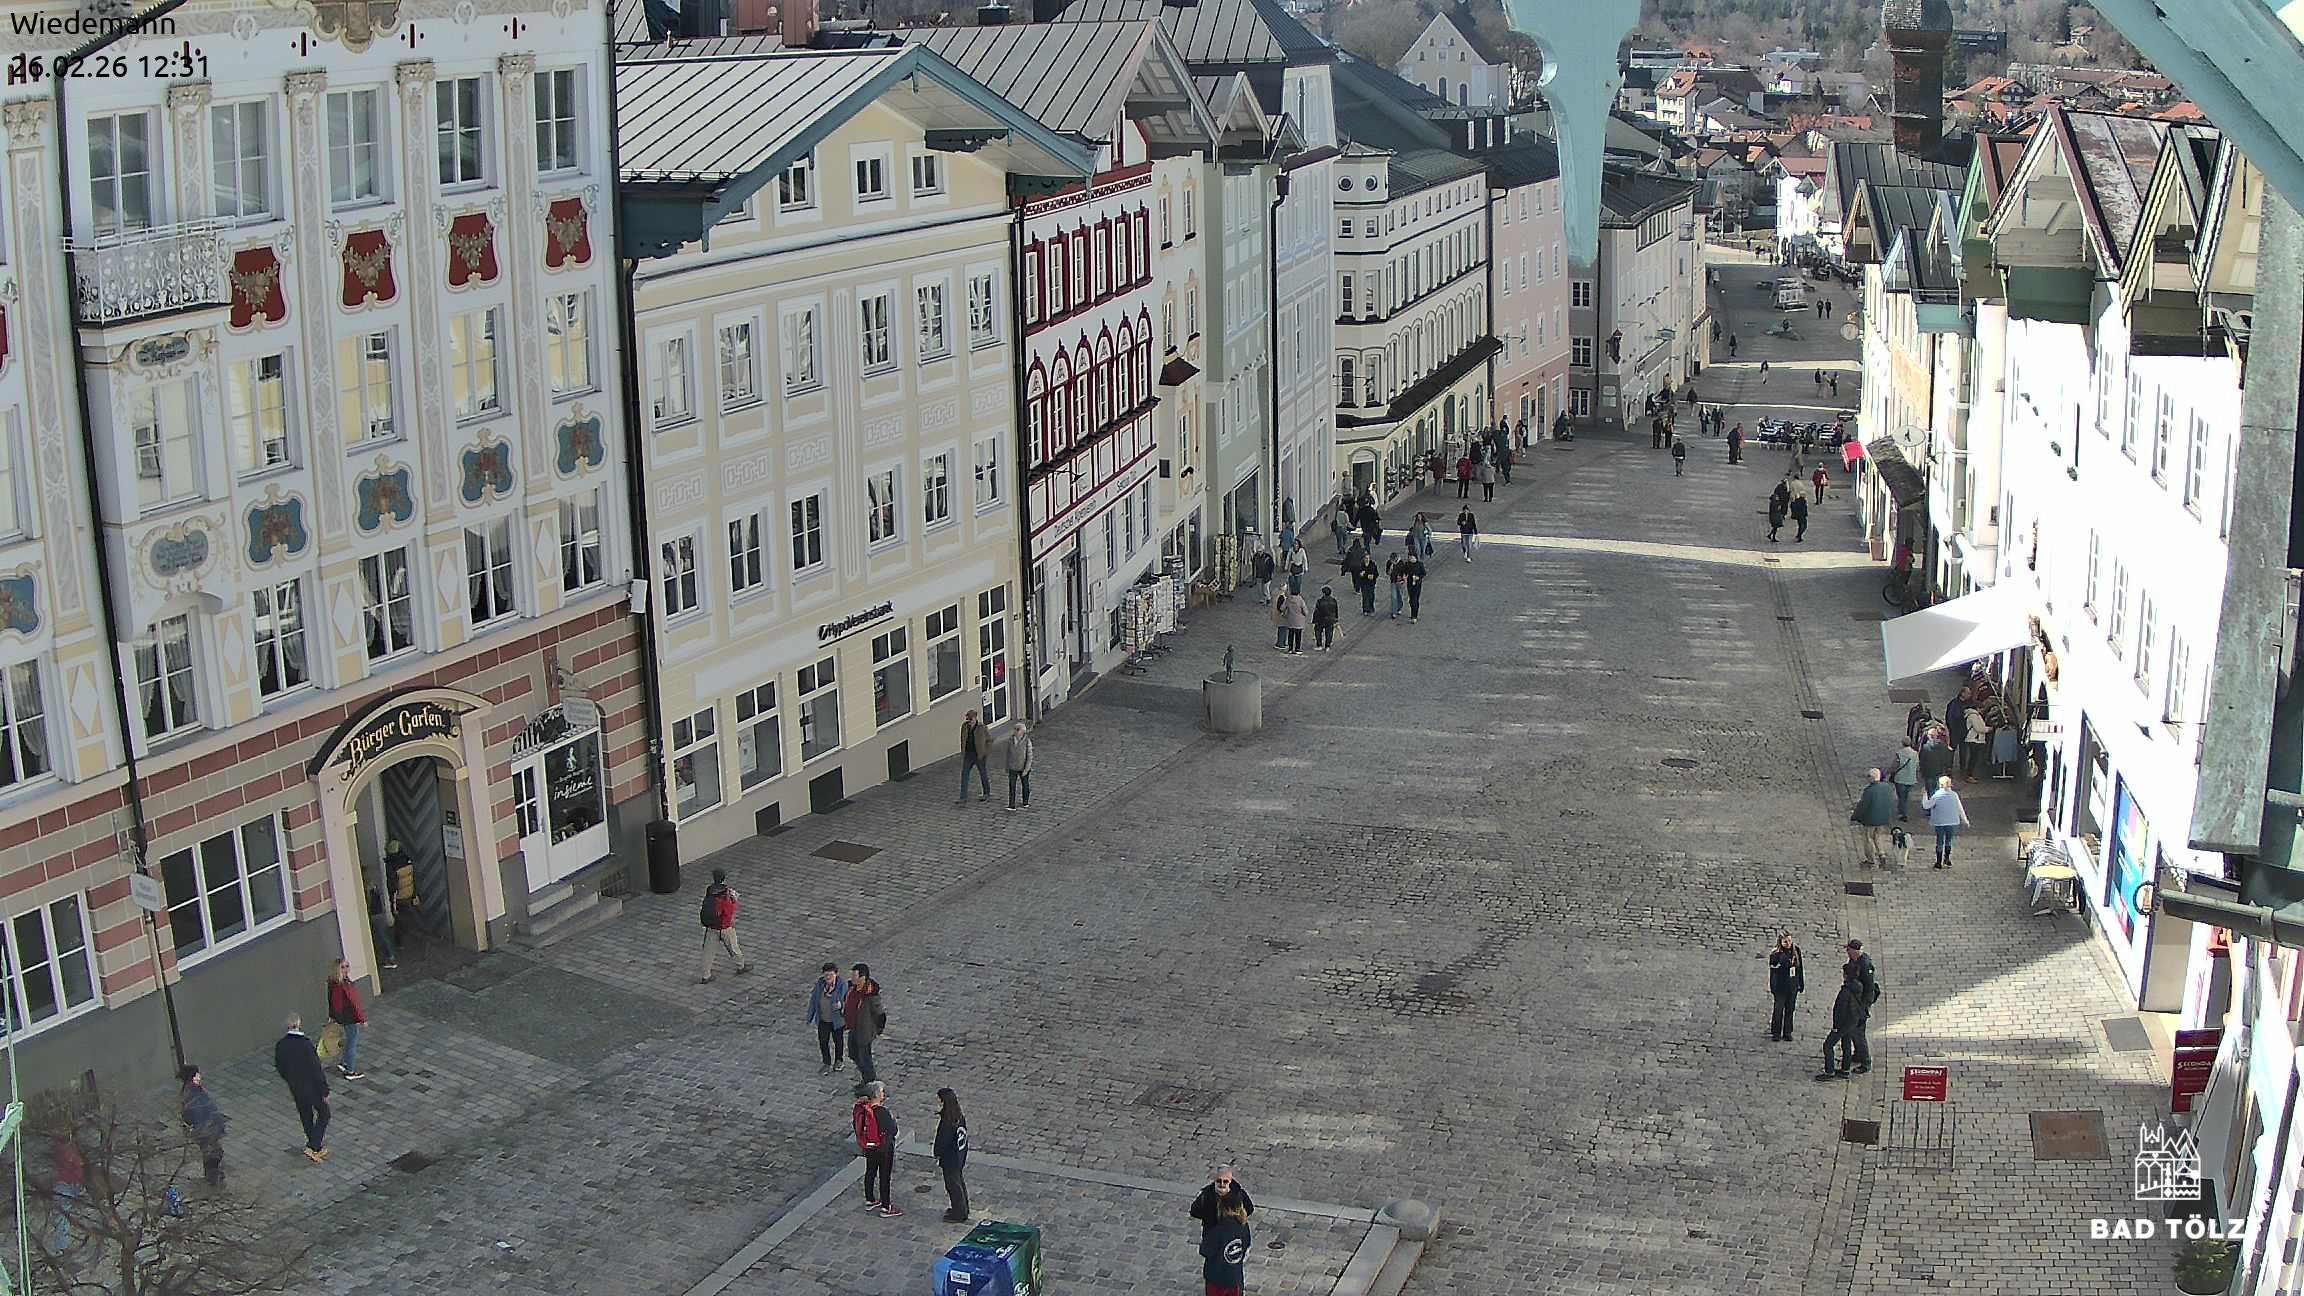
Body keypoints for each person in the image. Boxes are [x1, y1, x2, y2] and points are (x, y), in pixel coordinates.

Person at [273, 1015, 331, 1163]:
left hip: (295, 1087)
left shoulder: (281, 1045)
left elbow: (280, 1066)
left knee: (306, 1115)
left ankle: (315, 1147)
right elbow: (316, 1069)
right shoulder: (305, 1044)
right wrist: (324, 1090)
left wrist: (290, 1079)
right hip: (311, 1087)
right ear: (299, 1025)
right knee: (324, 1114)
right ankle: (313, 1146)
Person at [852, 1081, 901, 1217]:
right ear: (877, 1095)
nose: (884, 1094)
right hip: (884, 1148)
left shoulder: (863, 1109)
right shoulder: (882, 1112)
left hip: (869, 1147)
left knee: (870, 1171)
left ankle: (870, 1199)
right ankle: (886, 1207)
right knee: (884, 1176)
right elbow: (893, 1130)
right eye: (882, 1092)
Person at [178, 1064, 228, 1186]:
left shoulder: (193, 1089)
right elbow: (196, 1114)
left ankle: (213, 1176)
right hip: (206, 1130)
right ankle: (213, 1179)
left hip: (207, 1129)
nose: (199, 1076)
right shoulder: (192, 1094)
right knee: (213, 1153)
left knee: (214, 1153)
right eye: (197, 1074)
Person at [699, 867, 752, 982]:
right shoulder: (727, 893)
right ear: (724, 878)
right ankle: (741, 966)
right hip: (724, 926)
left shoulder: (710, 890)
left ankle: (705, 975)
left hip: (711, 926)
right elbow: (731, 909)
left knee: (708, 951)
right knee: (733, 947)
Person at [1817, 964, 1864, 1081]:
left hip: (1843, 1023)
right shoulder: (1858, 986)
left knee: (1828, 1045)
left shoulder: (1846, 992)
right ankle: (1845, 1070)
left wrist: (1836, 1027)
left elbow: (1840, 1010)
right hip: (1852, 1021)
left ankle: (1829, 1071)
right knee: (1846, 1044)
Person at [326, 959, 368, 1080]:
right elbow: (354, 1003)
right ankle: (350, 1071)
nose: (346, 969)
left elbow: (330, 1000)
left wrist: (332, 1015)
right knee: (352, 1042)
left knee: (350, 1039)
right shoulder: (345, 985)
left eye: (347, 966)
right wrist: (362, 1019)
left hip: (341, 1016)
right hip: (349, 1017)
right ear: (338, 969)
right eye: (343, 967)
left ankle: (344, 1062)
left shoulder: (332, 982)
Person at [844, 964, 886, 1085]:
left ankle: (869, 1080)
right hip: (853, 1027)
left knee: (864, 1057)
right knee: (852, 1053)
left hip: (864, 1031)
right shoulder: (851, 988)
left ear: (862, 977)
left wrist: (878, 1029)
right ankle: (865, 1074)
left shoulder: (871, 995)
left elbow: (880, 1014)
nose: (852, 978)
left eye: (854, 976)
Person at [1201, 1199, 1252, 1296]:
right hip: (1234, 1277)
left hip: (1216, 1278)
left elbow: (1205, 1251)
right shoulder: (1243, 1225)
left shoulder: (1217, 1230)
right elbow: (1246, 1244)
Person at [935, 1087, 971, 1223]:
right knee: (958, 1182)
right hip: (959, 1156)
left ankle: (959, 1212)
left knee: (953, 1185)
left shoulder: (947, 1121)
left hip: (950, 1159)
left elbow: (942, 1141)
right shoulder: (958, 1116)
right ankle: (962, 1208)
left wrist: (937, 1152)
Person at [805, 963, 848, 1074]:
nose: (828, 977)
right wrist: (810, 1016)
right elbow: (814, 1001)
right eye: (826, 975)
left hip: (837, 1020)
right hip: (823, 1019)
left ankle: (839, 1060)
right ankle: (827, 1062)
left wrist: (841, 1005)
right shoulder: (819, 985)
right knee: (823, 1041)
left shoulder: (842, 985)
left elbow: (848, 1001)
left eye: (830, 975)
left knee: (838, 1041)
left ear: (836, 974)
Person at [1921, 775, 1971, 869]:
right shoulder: (1954, 795)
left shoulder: (1937, 795)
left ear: (1940, 785)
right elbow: (1960, 809)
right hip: (1952, 821)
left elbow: (1926, 806)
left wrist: (1924, 795)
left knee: (1939, 841)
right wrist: (1965, 820)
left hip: (1939, 822)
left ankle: (1938, 862)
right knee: (1949, 841)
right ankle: (1947, 860)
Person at [1850, 768, 1897, 866]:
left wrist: (1855, 816)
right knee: (1878, 836)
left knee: (1868, 838)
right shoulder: (1887, 788)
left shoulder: (1869, 790)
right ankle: (1881, 853)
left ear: (1872, 778)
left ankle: (1871, 859)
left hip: (1870, 819)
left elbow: (1863, 806)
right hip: (1883, 818)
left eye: (1868, 776)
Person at [1191, 1166, 1256, 1231]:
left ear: (1230, 1181)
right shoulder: (1206, 1195)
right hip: (1212, 1233)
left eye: (1225, 1181)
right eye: (1219, 1181)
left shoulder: (1239, 1194)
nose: (1222, 1184)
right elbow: (1194, 1211)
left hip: (1232, 1232)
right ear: (1214, 1180)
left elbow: (1249, 1208)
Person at [1767, 934, 1804, 1042]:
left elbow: (1800, 968)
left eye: (1789, 941)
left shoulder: (1796, 950)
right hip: (1780, 987)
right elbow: (1774, 970)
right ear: (1780, 942)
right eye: (1785, 942)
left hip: (1792, 986)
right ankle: (1776, 1032)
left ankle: (1787, 1032)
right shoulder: (1776, 954)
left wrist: (1801, 983)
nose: (1788, 944)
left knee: (1790, 1009)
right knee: (1778, 1010)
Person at [959, 708, 992, 803]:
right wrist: (963, 751)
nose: (969, 721)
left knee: (983, 774)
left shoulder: (982, 727)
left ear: (975, 718)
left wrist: (985, 753)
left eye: (970, 719)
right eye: (967, 719)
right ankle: (963, 797)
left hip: (979, 755)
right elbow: (962, 739)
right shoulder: (964, 727)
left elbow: (989, 740)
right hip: (968, 754)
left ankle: (986, 793)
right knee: (964, 775)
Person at [366, 887, 397, 971]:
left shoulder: (370, 894)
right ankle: (389, 957)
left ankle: (390, 958)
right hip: (379, 915)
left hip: (376, 916)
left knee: (382, 938)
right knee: (383, 937)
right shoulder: (377, 893)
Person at [1004, 723, 1034, 810]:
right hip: (1012, 767)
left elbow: (1029, 756)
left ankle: (1025, 802)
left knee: (1025, 785)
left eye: (1017, 729)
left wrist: (1026, 769)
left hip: (1023, 767)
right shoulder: (1011, 740)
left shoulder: (1027, 741)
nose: (1015, 731)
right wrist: (1007, 766)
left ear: (1022, 731)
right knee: (1012, 786)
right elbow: (1008, 754)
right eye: (1015, 729)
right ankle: (1011, 804)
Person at [1891, 739, 1921, 822]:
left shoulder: (1899, 753)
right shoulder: (1915, 754)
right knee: (1906, 796)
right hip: (1911, 779)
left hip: (1900, 779)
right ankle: (1902, 811)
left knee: (1901, 797)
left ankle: (1902, 813)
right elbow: (1917, 766)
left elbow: (1895, 766)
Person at [1918, 727, 1956, 792]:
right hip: (1940, 772)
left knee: (1930, 792)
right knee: (1939, 792)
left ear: (1929, 736)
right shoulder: (1943, 746)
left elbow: (1922, 761)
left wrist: (1922, 771)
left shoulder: (1925, 747)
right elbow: (1948, 759)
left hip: (1929, 773)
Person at [1963, 704, 1991, 782]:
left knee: (1974, 757)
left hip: (1975, 739)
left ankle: (1971, 774)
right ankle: (1970, 775)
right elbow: (1979, 728)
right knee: (1974, 758)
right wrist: (1988, 729)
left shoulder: (1974, 715)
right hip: (1974, 740)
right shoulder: (1974, 715)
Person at [1312, 585, 1340, 651]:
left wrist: (1314, 620)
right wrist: (1336, 619)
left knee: (1318, 631)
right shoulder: (1333, 600)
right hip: (1330, 619)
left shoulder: (1320, 601)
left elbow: (1317, 611)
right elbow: (1336, 610)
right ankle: (1328, 646)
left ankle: (1319, 645)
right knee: (1329, 632)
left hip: (1321, 619)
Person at [1281, 588, 1309, 654]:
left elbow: (1282, 608)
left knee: (1290, 635)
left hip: (1290, 620)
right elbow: (1305, 611)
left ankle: (1290, 648)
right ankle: (1297, 648)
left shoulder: (1288, 599)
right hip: (1299, 620)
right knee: (1298, 635)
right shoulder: (1300, 600)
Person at [1403, 551, 1427, 622]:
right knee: (1411, 600)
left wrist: (1418, 577)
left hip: (1417, 585)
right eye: (1409, 557)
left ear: (1415, 557)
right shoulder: (1407, 564)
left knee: (1415, 600)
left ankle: (1414, 616)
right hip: (1410, 584)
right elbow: (1405, 572)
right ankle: (1412, 613)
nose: (1410, 558)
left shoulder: (1420, 564)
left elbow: (1424, 573)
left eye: (1411, 557)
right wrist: (1404, 576)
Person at [1354, 552, 1378, 616]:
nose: (1367, 559)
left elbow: (1376, 573)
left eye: (1368, 558)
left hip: (1371, 583)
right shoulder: (1361, 565)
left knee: (1371, 596)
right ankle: (1365, 609)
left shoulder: (1372, 564)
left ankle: (1371, 609)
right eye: (1365, 558)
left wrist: (1373, 576)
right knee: (1364, 596)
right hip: (1364, 583)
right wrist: (1363, 575)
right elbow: (1359, 574)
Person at [1386, 552, 1406, 620]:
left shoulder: (1401, 563)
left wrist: (1402, 580)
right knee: (1393, 596)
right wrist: (1390, 570)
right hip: (1393, 581)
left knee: (1399, 596)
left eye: (1393, 561)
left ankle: (1399, 607)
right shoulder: (1389, 563)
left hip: (1400, 582)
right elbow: (1388, 573)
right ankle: (1394, 612)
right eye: (1391, 561)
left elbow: (1404, 574)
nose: (1392, 562)